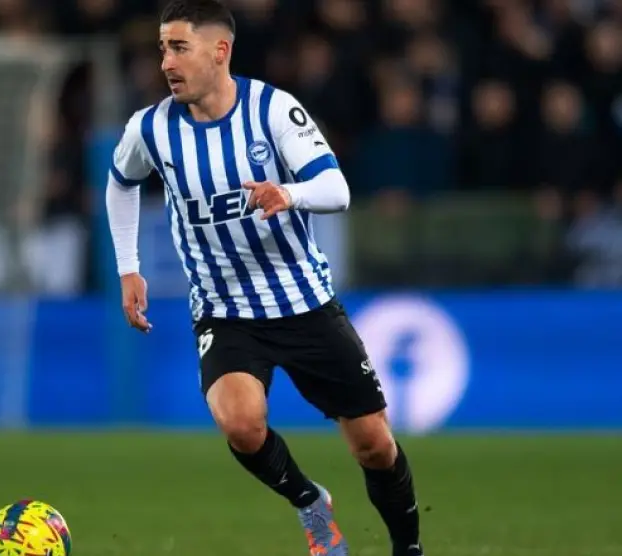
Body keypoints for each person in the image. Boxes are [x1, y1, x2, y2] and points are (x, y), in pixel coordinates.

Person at [104, 1, 424, 555]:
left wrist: (289, 193)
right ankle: (310, 503)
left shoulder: (272, 111)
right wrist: (127, 267)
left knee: (374, 445)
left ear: (219, 51)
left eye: (179, 47)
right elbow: (119, 182)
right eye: (162, 49)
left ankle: (408, 550)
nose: (166, 62)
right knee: (241, 424)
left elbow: (337, 190)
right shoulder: (151, 129)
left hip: (302, 300)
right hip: (225, 309)